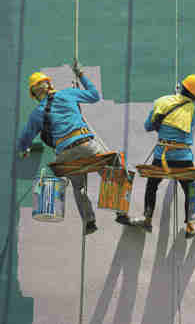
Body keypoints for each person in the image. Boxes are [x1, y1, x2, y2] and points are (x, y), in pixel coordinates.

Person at [17, 65, 130, 234]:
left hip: (64, 156)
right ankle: (120, 211)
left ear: (34, 95)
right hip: (85, 144)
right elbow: (94, 96)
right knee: (113, 168)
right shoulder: (67, 94)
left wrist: (23, 150)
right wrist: (81, 75)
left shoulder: (37, 113)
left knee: (78, 186)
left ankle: (89, 221)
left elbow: (25, 138)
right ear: (50, 85)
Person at [135, 74, 195, 238]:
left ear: (182, 86)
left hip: (161, 157)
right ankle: (190, 226)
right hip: (182, 158)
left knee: (152, 185)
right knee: (190, 190)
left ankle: (147, 218)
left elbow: (148, 126)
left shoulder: (161, 102)